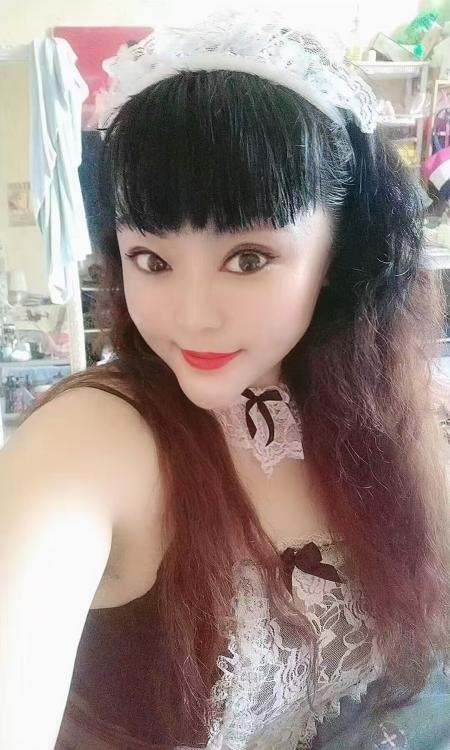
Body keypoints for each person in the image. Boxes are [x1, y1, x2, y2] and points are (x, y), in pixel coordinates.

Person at [1, 9, 449, 750]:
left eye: (248, 259)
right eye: (151, 260)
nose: (193, 317)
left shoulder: (393, 408)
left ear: (338, 250)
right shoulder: (90, 442)